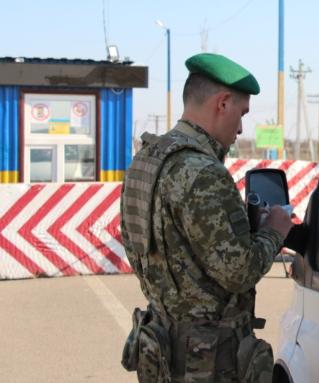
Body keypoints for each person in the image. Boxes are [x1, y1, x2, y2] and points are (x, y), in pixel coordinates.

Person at [120, 53, 293, 383]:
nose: (241, 128)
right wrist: (274, 231)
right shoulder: (203, 173)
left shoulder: (145, 161)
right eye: (241, 114)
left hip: (159, 348)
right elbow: (239, 272)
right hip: (207, 360)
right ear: (223, 103)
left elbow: (135, 248)